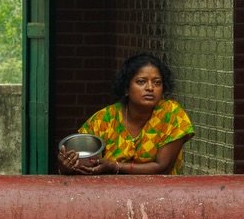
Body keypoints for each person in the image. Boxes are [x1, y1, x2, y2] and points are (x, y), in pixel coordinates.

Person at [58, 53, 194, 176]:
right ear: (126, 88)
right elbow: (82, 161)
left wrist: (115, 166)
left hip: (161, 196)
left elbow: (162, 167)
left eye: (157, 83)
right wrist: (67, 166)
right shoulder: (105, 119)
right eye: (141, 82)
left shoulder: (171, 114)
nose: (150, 88)